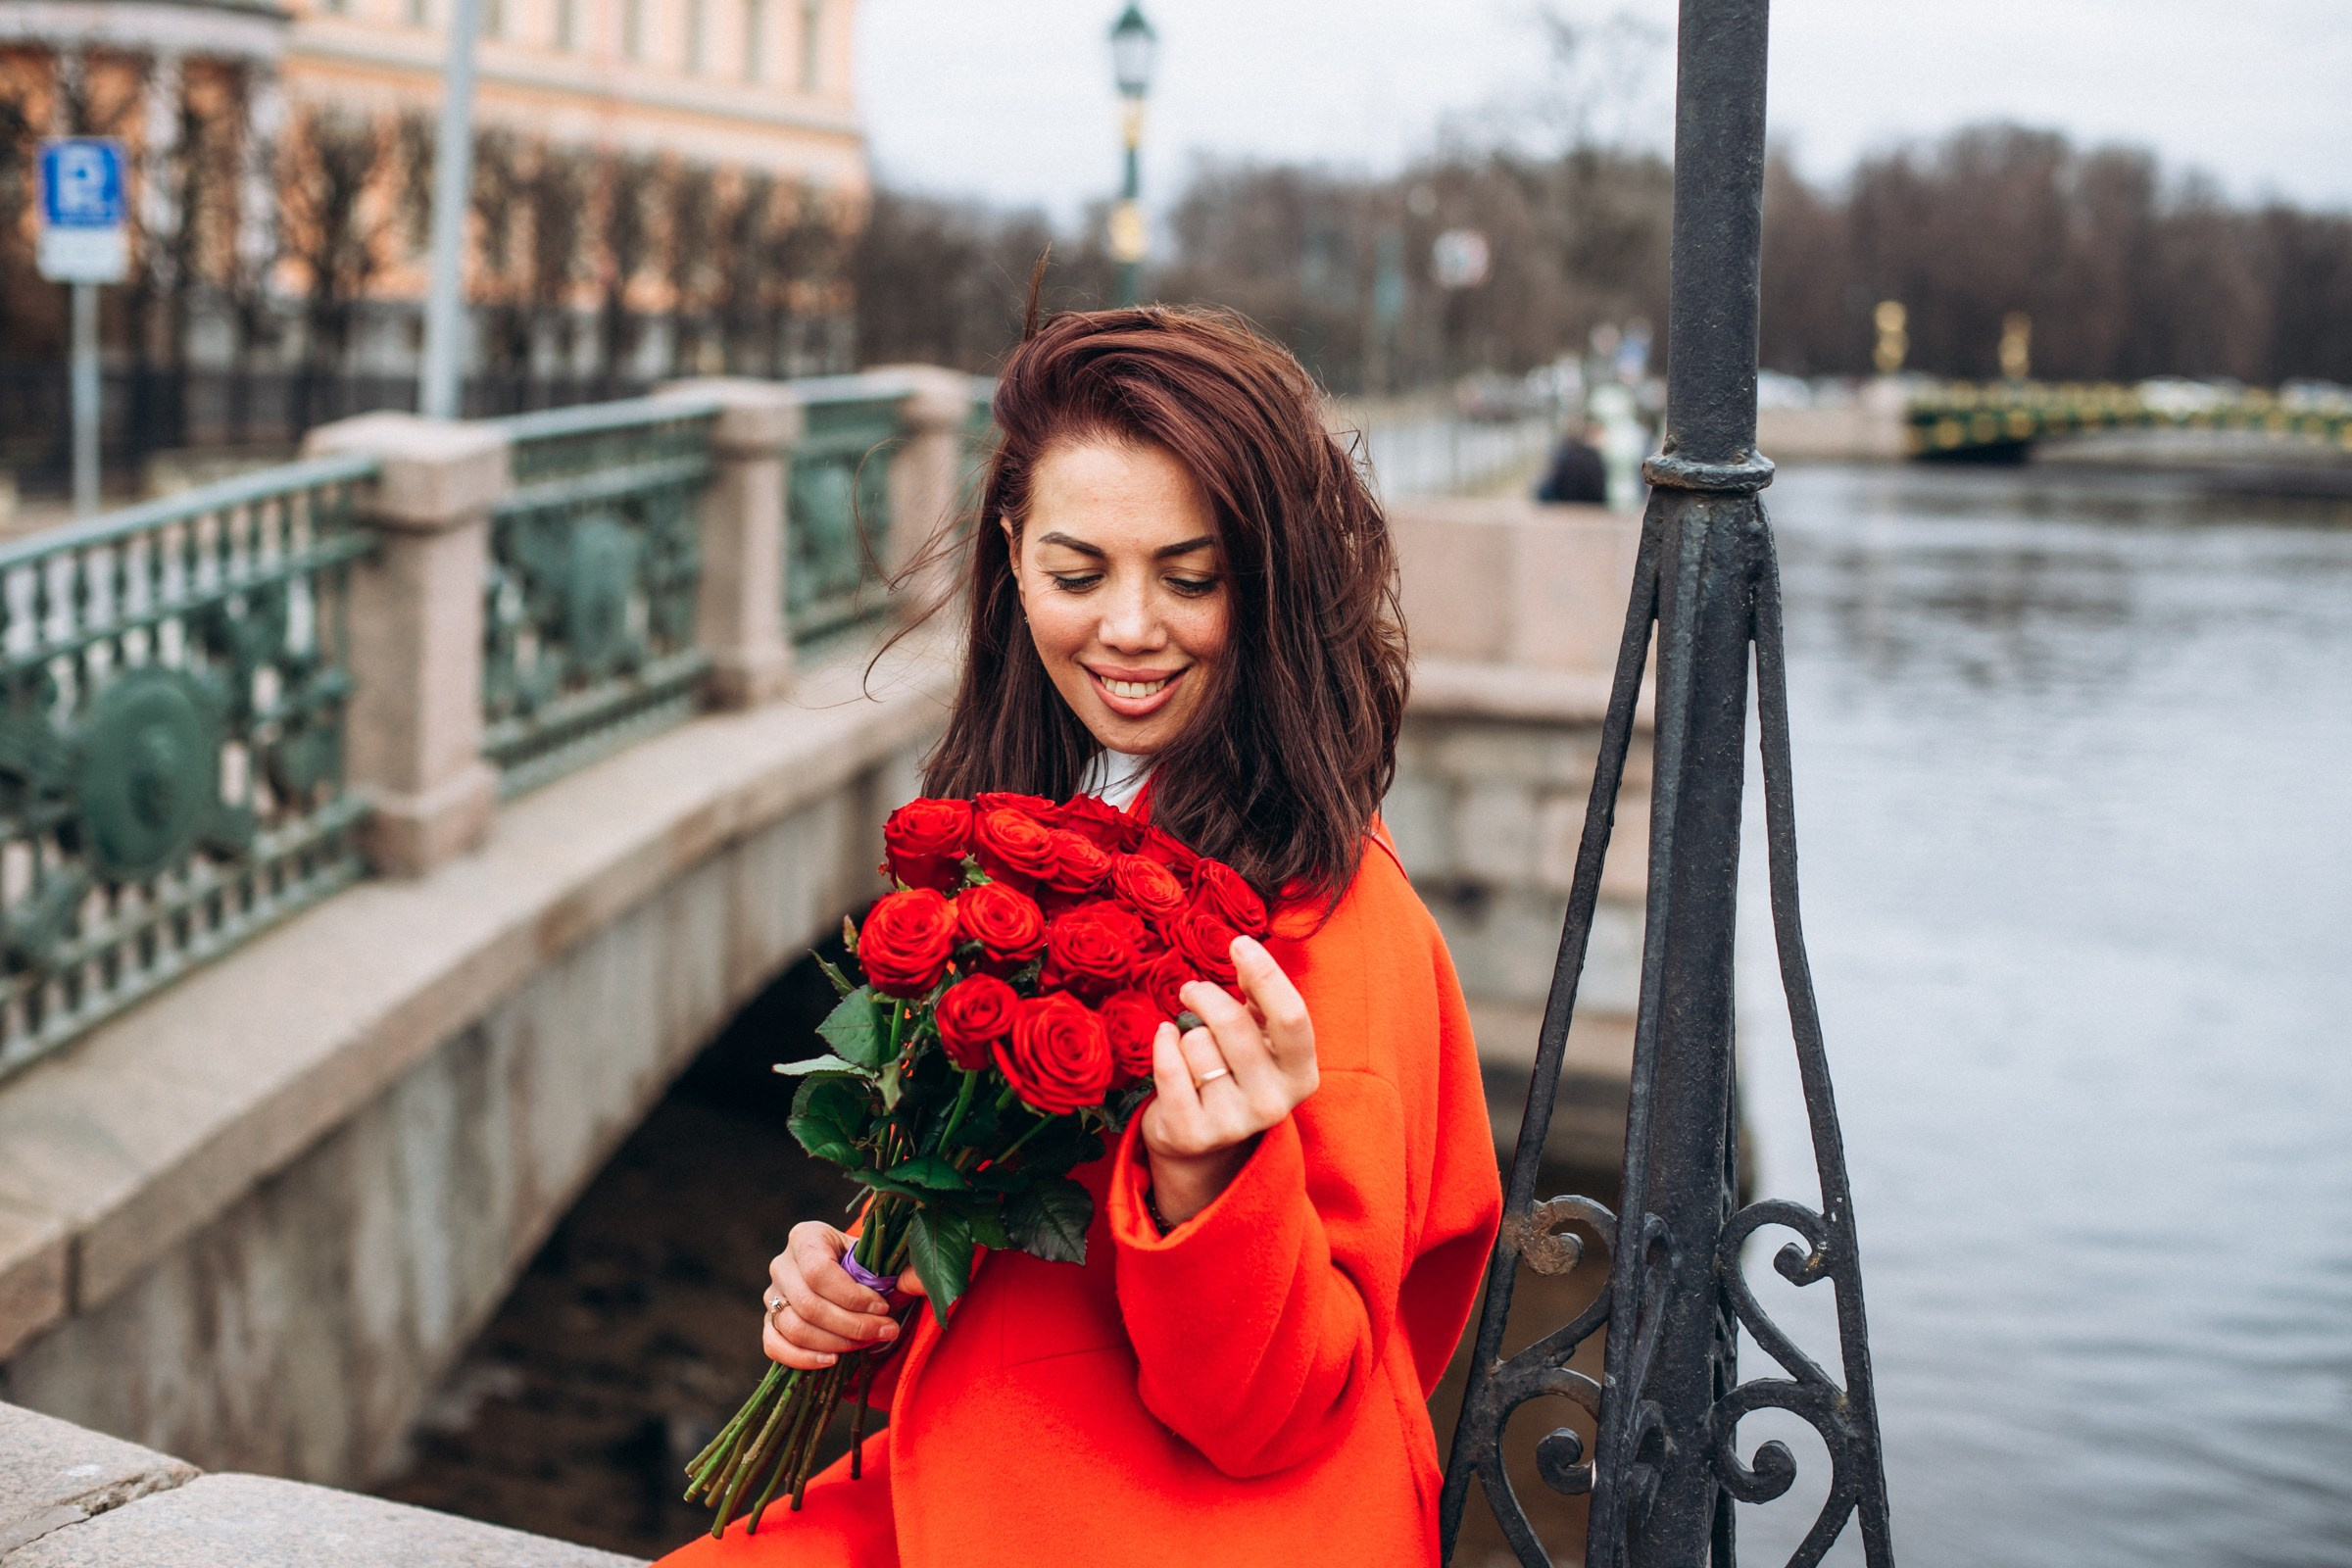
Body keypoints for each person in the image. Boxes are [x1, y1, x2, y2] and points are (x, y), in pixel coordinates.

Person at [662, 305, 1502, 1567]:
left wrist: (1212, 1184)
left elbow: (1281, 1413)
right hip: (985, 1483)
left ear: (1269, 586)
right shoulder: (1044, 822)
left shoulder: (1337, 925)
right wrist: (859, 1284)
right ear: (1010, 555)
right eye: (1077, 573)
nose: (1127, 628)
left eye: (1190, 575)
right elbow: (1028, 1279)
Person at [1535, 418, 1608, 505]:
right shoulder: (1592, 458)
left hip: (1564, 508)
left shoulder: (1566, 453)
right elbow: (1598, 493)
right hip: (1586, 510)